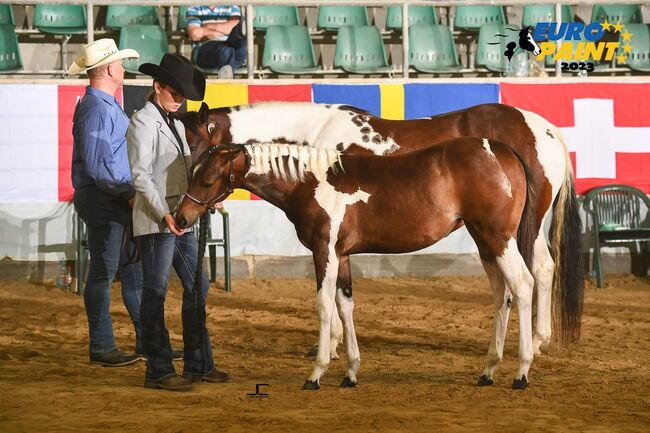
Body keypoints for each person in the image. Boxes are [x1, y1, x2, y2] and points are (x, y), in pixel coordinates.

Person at [127, 53, 229, 391]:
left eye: (183, 95)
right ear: (157, 87)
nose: (179, 100)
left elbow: (187, 174)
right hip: (158, 222)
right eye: (174, 93)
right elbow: (141, 177)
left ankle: (198, 364)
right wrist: (165, 214)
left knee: (197, 286)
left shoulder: (173, 122)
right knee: (155, 293)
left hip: (180, 220)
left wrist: (198, 203)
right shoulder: (143, 121)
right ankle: (158, 369)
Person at [68, 39, 143, 367]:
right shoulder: (98, 108)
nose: (123, 68)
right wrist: (128, 193)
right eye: (120, 63)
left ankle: (143, 341)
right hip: (106, 198)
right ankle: (102, 345)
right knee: (106, 270)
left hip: (109, 197)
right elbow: (100, 167)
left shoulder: (100, 106)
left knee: (125, 269)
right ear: (110, 69)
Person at [186, 5, 246, 79]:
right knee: (226, 48)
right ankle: (228, 84)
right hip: (206, 52)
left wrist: (207, 27)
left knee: (239, 38)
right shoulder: (194, 8)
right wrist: (226, 30)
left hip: (233, 47)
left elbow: (235, 26)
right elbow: (195, 34)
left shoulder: (231, 5)